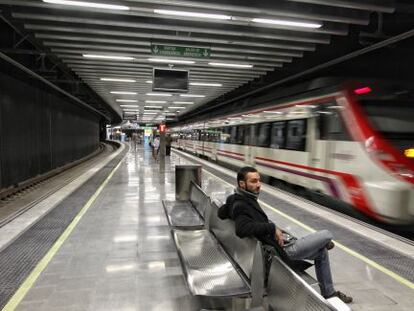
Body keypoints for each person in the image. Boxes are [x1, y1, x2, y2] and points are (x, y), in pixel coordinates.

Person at [218, 166, 353, 303]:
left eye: (259, 180)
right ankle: (324, 249)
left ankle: (329, 294)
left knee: (322, 252)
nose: (258, 185)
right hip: (281, 252)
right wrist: (272, 228)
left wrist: (231, 202)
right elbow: (241, 229)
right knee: (327, 234)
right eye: (253, 181)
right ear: (242, 184)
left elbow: (221, 213)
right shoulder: (242, 204)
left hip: (275, 245)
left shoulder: (237, 199)